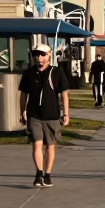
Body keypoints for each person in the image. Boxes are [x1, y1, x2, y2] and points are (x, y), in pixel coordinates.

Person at [18, 43, 70, 188]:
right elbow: (23, 94)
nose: (38, 58)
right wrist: (21, 111)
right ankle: (39, 173)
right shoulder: (28, 74)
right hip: (34, 115)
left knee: (50, 147)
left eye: (42, 55)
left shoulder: (57, 72)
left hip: (52, 115)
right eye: (36, 54)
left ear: (49, 55)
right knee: (37, 144)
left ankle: (47, 174)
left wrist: (66, 113)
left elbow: (64, 95)